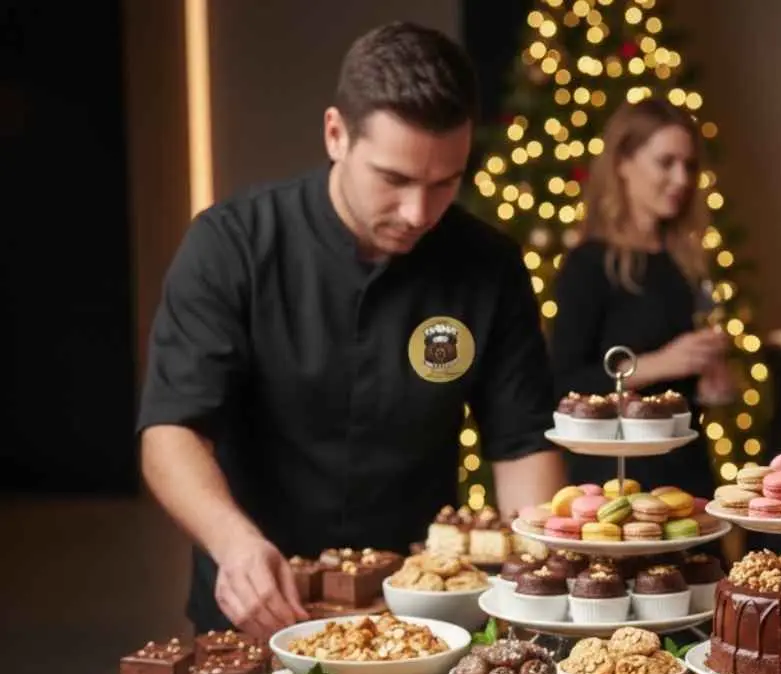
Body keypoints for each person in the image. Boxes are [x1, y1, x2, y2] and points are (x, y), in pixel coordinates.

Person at [138, 23, 565, 638]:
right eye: (393, 179)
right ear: (336, 133)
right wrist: (233, 543)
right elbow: (171, 431)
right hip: (256, 605)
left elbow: (522, 446)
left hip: (418, 616)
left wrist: (537, 587)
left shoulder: (487, 265)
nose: (420, 213)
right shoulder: (232, 244)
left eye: (446, 182)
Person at [550, 97, 732, 497]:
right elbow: (563, 383)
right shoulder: (589, 264)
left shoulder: (685, 260)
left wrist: (711, 381)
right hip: (613, 480)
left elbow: (694, 386)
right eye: (666, 162)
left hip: (685, 472)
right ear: (623, 163)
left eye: (689, 166)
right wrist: (660, 364)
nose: (682, 179)